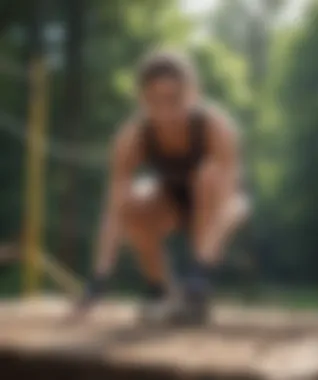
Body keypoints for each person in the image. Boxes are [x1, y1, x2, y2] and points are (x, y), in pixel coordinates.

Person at [74, 51, 250, 325]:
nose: (166, 112)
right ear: (142, 99)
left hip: (222, 206)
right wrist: (100, 276)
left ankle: (195, 293)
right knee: (132, 201)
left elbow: (227, 201)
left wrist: (200, 271)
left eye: (175, 99)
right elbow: (115, 208)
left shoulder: (217, 127)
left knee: (207, 176)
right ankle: (160, 290)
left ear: (194, 93)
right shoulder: (132, 137)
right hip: (171, 203)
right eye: (155, 101)